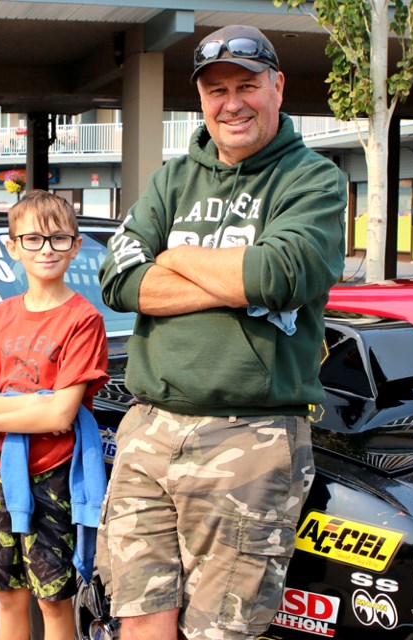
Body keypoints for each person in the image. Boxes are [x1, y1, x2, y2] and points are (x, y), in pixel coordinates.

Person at [97, 24, 347, 640]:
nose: (231, 102)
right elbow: (119, 280)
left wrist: (173, 253)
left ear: (278, 87)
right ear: (202, 99)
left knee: (223, 631)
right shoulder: (172, 177)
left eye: (247, 85)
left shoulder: (310, 180)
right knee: (138, 613)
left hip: (252, 438)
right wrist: (233, 279)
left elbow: (279, 271)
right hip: (149, 426)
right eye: (216, 90)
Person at [0, 189, 109, 640]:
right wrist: (34, 403)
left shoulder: (83, 320)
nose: (46, 249)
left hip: (56, 475)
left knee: (53, 598)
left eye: (58, 239)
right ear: (13, 247)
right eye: (32, 239)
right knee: (6, 593)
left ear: (76, 245)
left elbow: (60, 417)